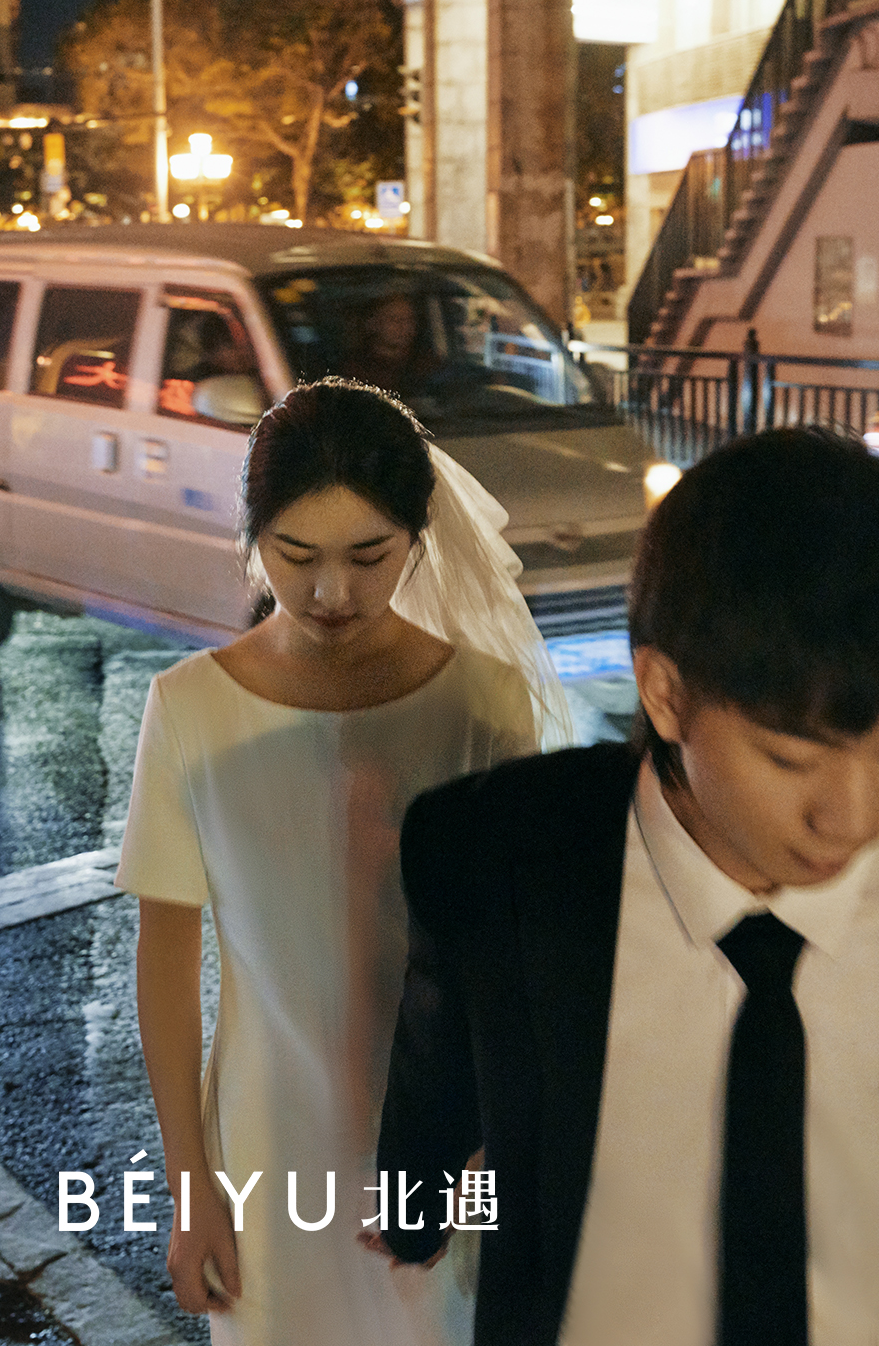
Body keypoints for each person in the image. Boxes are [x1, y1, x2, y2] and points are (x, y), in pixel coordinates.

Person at [378, 426, 879, 1346]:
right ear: (665, 693)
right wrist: (411, 1207)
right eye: (792, 758)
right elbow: (436, 1070)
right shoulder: (494, 853)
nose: (849, 817)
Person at [115, 379, 567, 1346]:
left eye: (370, 556)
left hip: (447, 1152)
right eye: (297, 556)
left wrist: (485, 1161)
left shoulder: (483, 704)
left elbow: (516, 962)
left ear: (418, 537)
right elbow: (166, 964)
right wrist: (190, 1187)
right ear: (253, 539)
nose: (333, 593)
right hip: (266, 1156)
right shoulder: (191, 709)